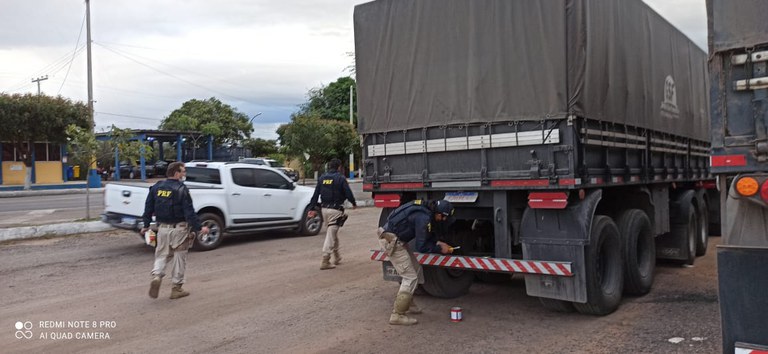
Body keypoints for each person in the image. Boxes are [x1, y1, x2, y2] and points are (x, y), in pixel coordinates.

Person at [378, 199, 456, 325]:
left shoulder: (426, 210)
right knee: (410, 277)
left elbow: (426, 236)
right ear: (439, 214)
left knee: (416, 270)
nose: (443, 221)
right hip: (392, 242)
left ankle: (407, 302)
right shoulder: (423, 218)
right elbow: (422, 247)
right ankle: (397, 314)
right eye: (443, 218)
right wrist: (440, 248)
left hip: (397, 240)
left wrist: (438, 242)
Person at [140, 162, 209, 300]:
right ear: (176, 173)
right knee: (179, 257)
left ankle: (157, 275)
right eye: (183, 171)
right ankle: (176, 289)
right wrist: (200, 227)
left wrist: (146, 225)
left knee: (161, 255)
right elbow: (189, 212)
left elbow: (148, 207)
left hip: (162, 229)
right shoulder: (181, 189)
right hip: (180, 229)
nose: (184, 174)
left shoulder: (156, 187)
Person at [309, 158, 357, 270]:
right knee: (331, 234)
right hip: (335, 210)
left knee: (333, 233)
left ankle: (337, 256)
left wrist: (312, 208)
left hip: (324, 210)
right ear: (339, 167)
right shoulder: (340, 178)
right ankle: (325, 260)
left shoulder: (322, 178)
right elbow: (348, 192)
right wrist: (353, 203)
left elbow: (316, 195)